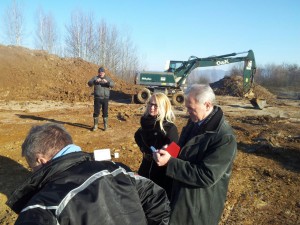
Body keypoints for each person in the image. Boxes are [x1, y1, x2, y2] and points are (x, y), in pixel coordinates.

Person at [6, 123, 171, 225]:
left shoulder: (42, 206)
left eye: (31, 167)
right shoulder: (118, 169)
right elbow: (157, 199)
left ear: (41, 161)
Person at [154, 84, 237, 225]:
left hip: (199, 208)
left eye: (191, 108)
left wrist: (170, 162)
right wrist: (169, 151)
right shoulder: (195, 121)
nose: (188, 112)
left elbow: (206, 176)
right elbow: (182, 146)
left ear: (207, 105)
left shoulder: (224, 138)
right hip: (182, 197)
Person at [134, 93, 179, 199]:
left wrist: (165, 154)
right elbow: (137, 135)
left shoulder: (169, 128)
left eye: (156, 105)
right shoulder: (145, 122)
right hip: (145, 166)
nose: (151, 107)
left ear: (164, 107)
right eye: (150, 104)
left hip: (161, 173)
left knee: (158, 201)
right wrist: (143, 148)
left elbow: (175, 152)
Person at [88, 67, 114, 131]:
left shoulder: (108, 78)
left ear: (104, 73)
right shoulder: (95, 78)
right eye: (100, 72)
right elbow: (89, 83)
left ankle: (105, 126)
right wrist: (94, 81)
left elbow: (113, 84)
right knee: (96, 112)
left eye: (102, 72)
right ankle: (95, 126)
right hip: (97, 98)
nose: (101, 74)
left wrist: (107, 82)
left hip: (105, 98)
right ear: (98, 73)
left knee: (105, 112)